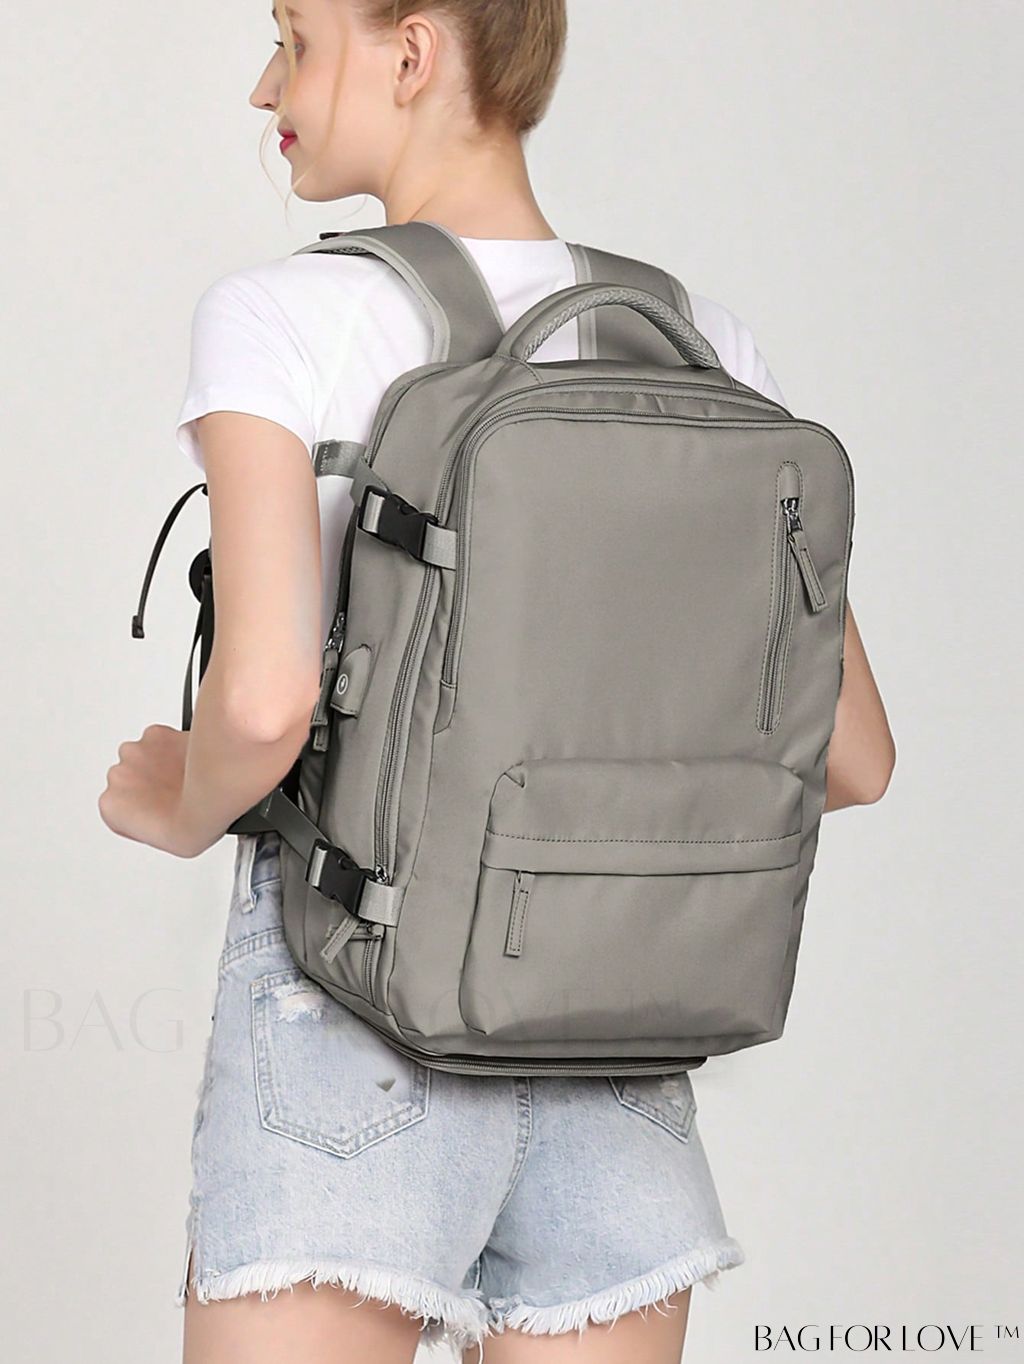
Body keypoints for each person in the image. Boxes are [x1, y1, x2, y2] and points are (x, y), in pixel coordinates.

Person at [98, 2, 897, 1360]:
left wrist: (175, 804)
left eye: (295, 38)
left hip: (350, 1015)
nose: (264, 86)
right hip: (621, 1044)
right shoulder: (698, 346)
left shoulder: (278, 316)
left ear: (411, 55)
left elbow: (264, 701)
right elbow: (853, 757)